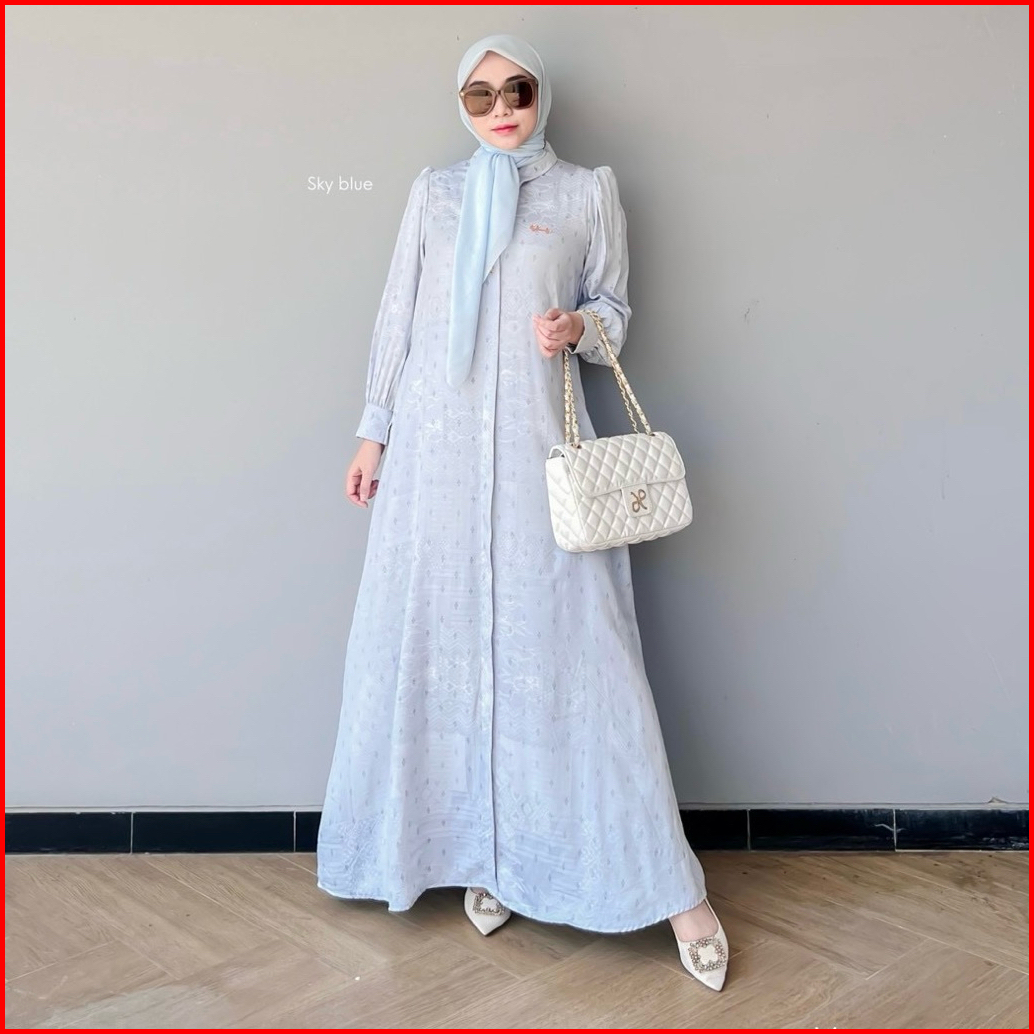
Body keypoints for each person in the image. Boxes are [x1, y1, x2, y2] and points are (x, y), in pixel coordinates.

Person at [316, 33, 728, 991]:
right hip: (437, 463)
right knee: (448, 651)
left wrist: (579, 327)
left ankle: (677, 896)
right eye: (479, 95)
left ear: (540, 94)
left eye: (517, 89)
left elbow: (613, 310)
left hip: (542, 459)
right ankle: (484, 858)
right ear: (461, 105)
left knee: (583, 659)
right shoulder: (436, 195)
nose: (501, 108)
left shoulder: (586, 194)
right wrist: (374, 432)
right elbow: (399, 317)